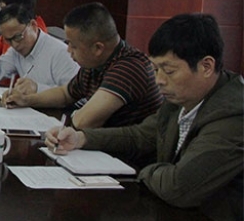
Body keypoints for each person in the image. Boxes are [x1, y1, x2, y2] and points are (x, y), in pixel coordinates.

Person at [45, 13, 242, 221]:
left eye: (169, 71)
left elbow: (178, 188)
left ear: (206, 66)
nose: (159, 80)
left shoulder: (234, 116)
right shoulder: (181, 99)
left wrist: (143, 171)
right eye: (156, 69)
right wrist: (81, 138)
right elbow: (140, 135)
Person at [2, 2, 161, 128]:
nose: (68, 50)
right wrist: (26, 100)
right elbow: (65, 94)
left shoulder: (128, 67)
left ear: (98, 48)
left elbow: (84, 121)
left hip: (126, 157)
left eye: (73, 46)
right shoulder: (95, 63)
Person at [0, 3, 79, 92]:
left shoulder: (61, 53)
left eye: (18, 37)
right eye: (8, 40)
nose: (14, 45)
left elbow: (74, 96)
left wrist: (37, 88)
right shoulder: (15, 52)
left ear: (33, 25)